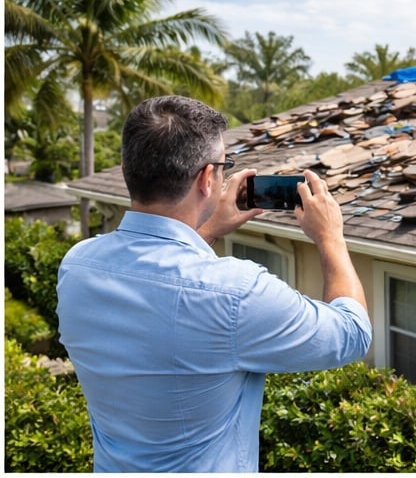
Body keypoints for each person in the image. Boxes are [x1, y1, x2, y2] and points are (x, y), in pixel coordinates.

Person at [56, 95, 372, 472]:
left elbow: (160, 283)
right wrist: (330, 236)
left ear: (127, 169)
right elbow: (352, 333)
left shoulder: (77, 266)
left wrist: (206, 228)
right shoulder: (237, 293)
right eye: (223, 167)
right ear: (208, 179)